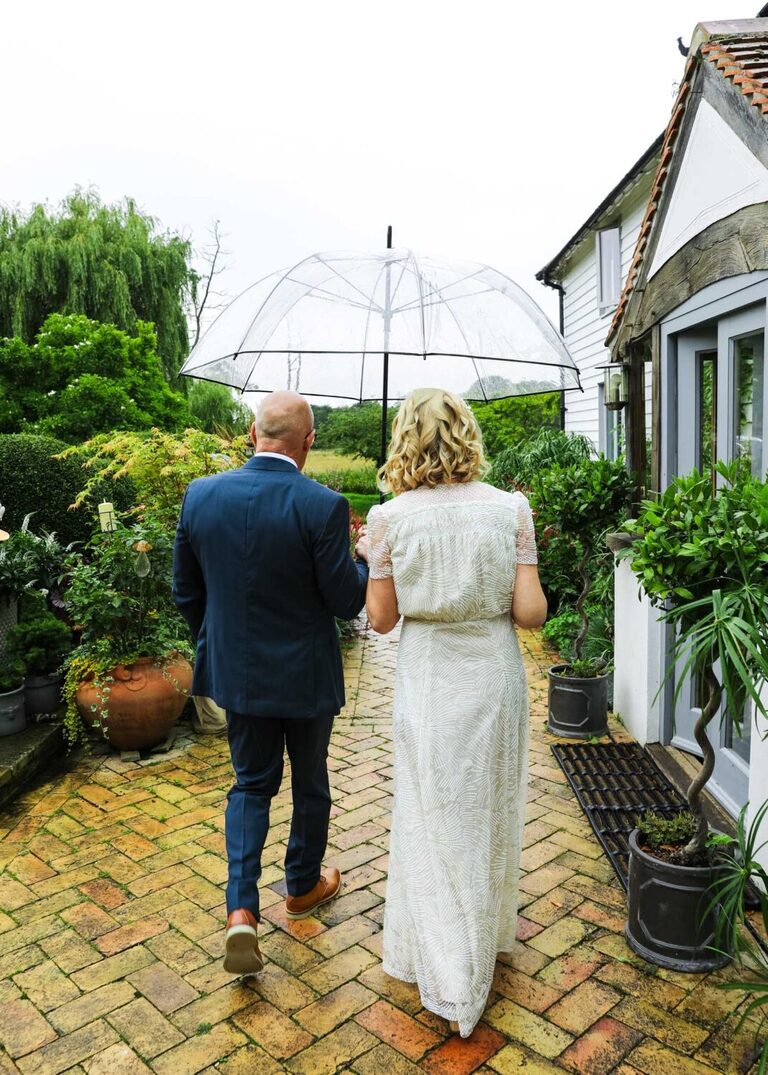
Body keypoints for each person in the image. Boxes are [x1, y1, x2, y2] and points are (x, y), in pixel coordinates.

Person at [362, 387, 547, 1037]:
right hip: (493, 675)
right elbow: (530, 614)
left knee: (432, 811)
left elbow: (381, 621)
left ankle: (446, 962)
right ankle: (480, 943)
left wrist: (373, 564)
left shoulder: (388, 519)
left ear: (405, 439)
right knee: (487, 808)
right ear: (466, 434)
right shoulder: (511, 510)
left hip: (432, 676)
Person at [173, 390, 369, 976]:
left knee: (250, 785)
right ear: (307, 442)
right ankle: (303, 885)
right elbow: (346, 601)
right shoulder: (323, 505)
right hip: (305, 677)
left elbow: (186, 591)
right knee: (310, 781)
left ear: (252, 434)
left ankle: (240, 911)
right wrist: (359, 558)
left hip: (240, 675)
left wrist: (221, 643)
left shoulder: (201, 495)